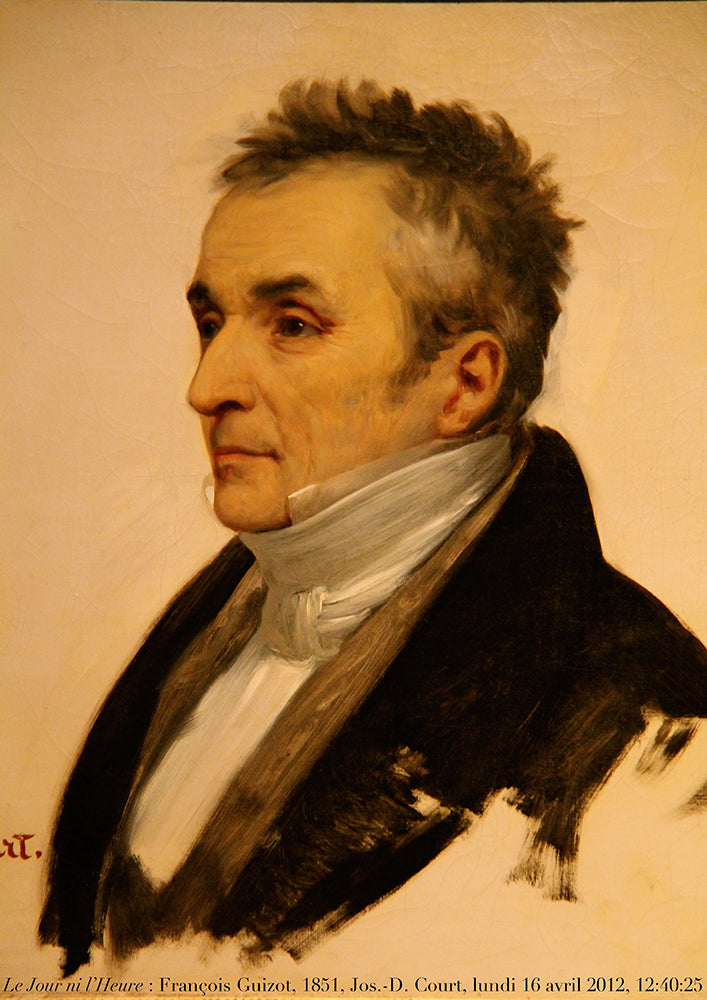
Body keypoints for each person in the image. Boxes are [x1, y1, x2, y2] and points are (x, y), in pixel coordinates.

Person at [39, 79, 707, 976]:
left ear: (464, 383)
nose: (206, 387)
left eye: (291, 324)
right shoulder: (214, 620)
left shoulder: (654, 730)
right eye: (210, 321)